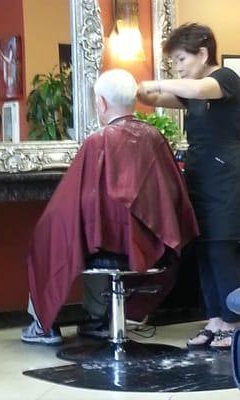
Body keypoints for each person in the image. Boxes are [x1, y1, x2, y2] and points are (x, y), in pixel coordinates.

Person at [21, 68, 199, 345]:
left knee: (48, 238)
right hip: (149, 240)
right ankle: (98, 318)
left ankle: (44, 326)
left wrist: (55, 226)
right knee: (95, 236)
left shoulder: (98, 141)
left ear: (101, 103)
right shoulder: (154, 136)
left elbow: (69, 203)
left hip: (110, 242)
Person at [137, 22, 240, 350]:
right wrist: (142, 92)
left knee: (222, 250)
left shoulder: (224, 79)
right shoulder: (195, 90)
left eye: (181, 59)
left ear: (203, 54)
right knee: (204, 251)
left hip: (226, 182)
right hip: (199, 178)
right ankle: (214, 320)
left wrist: (155, 81)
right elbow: (168, 98)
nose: (179, 67)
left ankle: (233, 323)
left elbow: (194, 90)